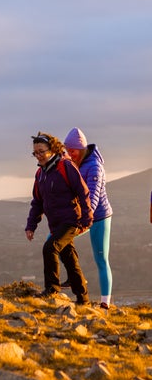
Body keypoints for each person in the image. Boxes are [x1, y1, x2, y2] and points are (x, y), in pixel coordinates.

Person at [25, 132, 93, 304]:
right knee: (70, 259)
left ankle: (52, 288)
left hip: (71, 220)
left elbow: (83, 192)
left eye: (41, 151)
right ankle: (83, 298)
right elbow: (37, 202)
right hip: (55, 224)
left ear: (53, 149)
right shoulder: (40, 174)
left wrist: (86, 218)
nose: (38, 155)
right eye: (35, 152)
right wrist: (31, 225)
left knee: (50, 248)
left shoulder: (66, 167)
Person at [63, 128, 113, 310]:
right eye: (67, 150)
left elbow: (92, 198)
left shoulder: (94, 167)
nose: (69, 154)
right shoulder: (72, 162)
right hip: (81, 216)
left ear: (81, 148)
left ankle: (105, 304)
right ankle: (74, 277)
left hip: (99, 217)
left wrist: (83, 222)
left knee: (101, 259)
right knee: (54, 241)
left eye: (72, 150)